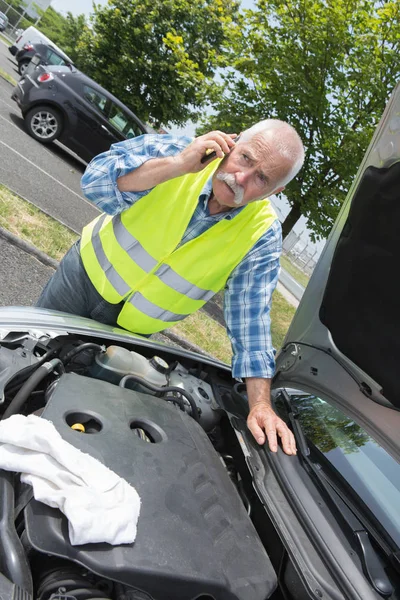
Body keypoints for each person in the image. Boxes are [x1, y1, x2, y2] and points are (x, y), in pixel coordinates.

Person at [37, 120, 305, 456]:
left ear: (274, 192)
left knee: (76, 410)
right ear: (232, 143)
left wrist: (261, 405)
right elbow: (95, 181)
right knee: (28, 359)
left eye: (262, 178)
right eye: (246, 159)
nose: (241, 178)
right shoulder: (180, 150)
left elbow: (251, 321)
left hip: (130, 333)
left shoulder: (261, 234)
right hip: (81, 280)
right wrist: (177, 165)